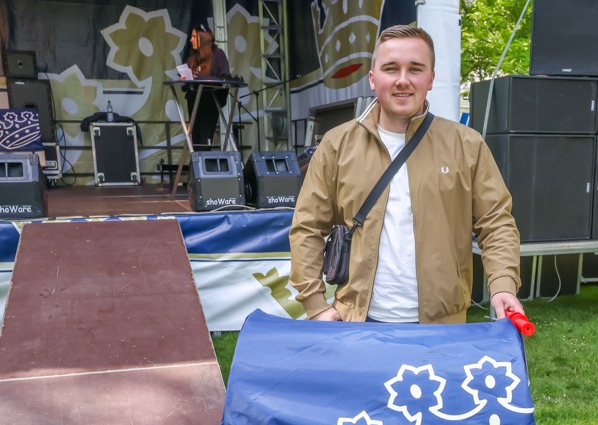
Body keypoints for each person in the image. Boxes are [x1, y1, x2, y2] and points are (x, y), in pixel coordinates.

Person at [288, 25, 523, 325]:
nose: (402, 80)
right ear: (373, 79)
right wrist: (316, 304)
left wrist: (503, 285)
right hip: (358, 323)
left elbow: (497, 223)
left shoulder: (467, 145)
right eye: (390, 68)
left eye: (415, 69)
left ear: (431, 79)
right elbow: (307, 227)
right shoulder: (337, 145)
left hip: (443, 326)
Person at [183, 24, 230, 151]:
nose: (191, 39)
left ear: (202, 38)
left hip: (210, 101)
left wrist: (200, 76)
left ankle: (203, 167)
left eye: (194, 36)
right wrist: (187, 78)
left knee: (205, 140)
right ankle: (195, 167)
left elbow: (226, 79)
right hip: (193, 100)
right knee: (194, 140)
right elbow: (185, 86)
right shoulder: (193, 58)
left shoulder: (217, 54)